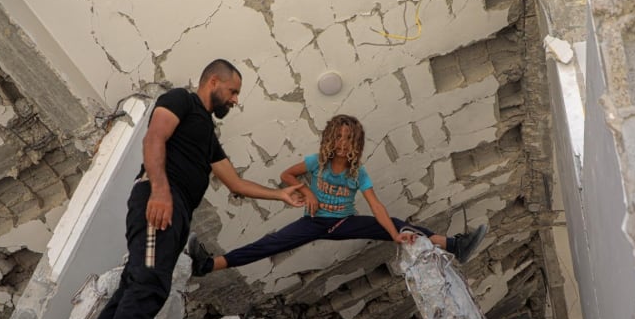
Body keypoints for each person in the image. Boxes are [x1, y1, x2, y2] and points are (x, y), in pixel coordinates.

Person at [51, 59, 304, 319]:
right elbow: (154, 137)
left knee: (131, 293)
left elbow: (234, 182)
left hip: (175, 211)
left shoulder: (208, 136)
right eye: (232, 92)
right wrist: (159, 191)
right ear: (213, 81)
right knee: (146, 290)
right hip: (160, 202)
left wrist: (281, 195)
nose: (234, 101)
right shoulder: (180, 100)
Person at [187, 114, 487, 277]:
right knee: (269, 244)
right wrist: (306, 190)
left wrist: (394, 234)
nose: (343, 144)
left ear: (357, 143)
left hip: (343, 222)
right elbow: (286, 176)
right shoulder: (315, 162)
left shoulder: (358, 173)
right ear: (330, 139)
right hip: (314, 221)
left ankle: (454, 244)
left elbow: (376, 206)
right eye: (339, 137)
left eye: (350, 139)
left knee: (397, 223)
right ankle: (208, 266)